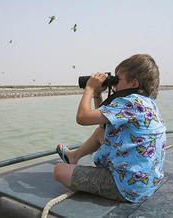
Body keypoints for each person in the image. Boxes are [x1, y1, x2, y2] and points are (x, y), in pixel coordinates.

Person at [54, 54, 166, 203]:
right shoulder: (147, 103)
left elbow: (82, 117)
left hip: (126, 187)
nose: (114, 84)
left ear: (134, 83)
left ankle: (77, 162)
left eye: (118, 80)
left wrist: (89, 87)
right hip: (148, 184)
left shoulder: (129, 102)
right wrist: (97, 93)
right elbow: (103, 124)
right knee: (101, 131)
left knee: (59, 171)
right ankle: (74, 156)